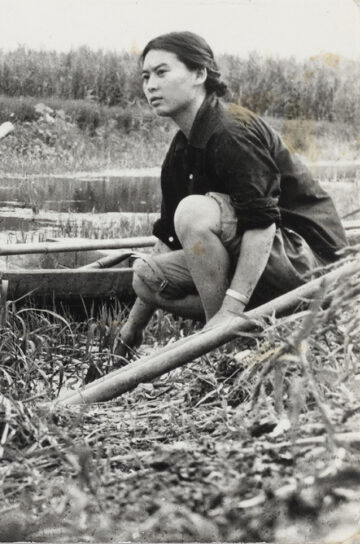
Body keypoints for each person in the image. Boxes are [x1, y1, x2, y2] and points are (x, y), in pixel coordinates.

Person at [84, 31, 347, 384]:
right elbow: (168, 242)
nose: (150, 86)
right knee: (145, 278)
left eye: (162, 72)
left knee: (194, 212)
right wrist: (131, 333)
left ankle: (222, 337)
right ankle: (247, 328)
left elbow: (262, 225)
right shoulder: (180, 150)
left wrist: (229, 309)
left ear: (199, 74)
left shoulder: (231, 131)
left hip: (312, 265)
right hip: (267, 264)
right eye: (145, 77)